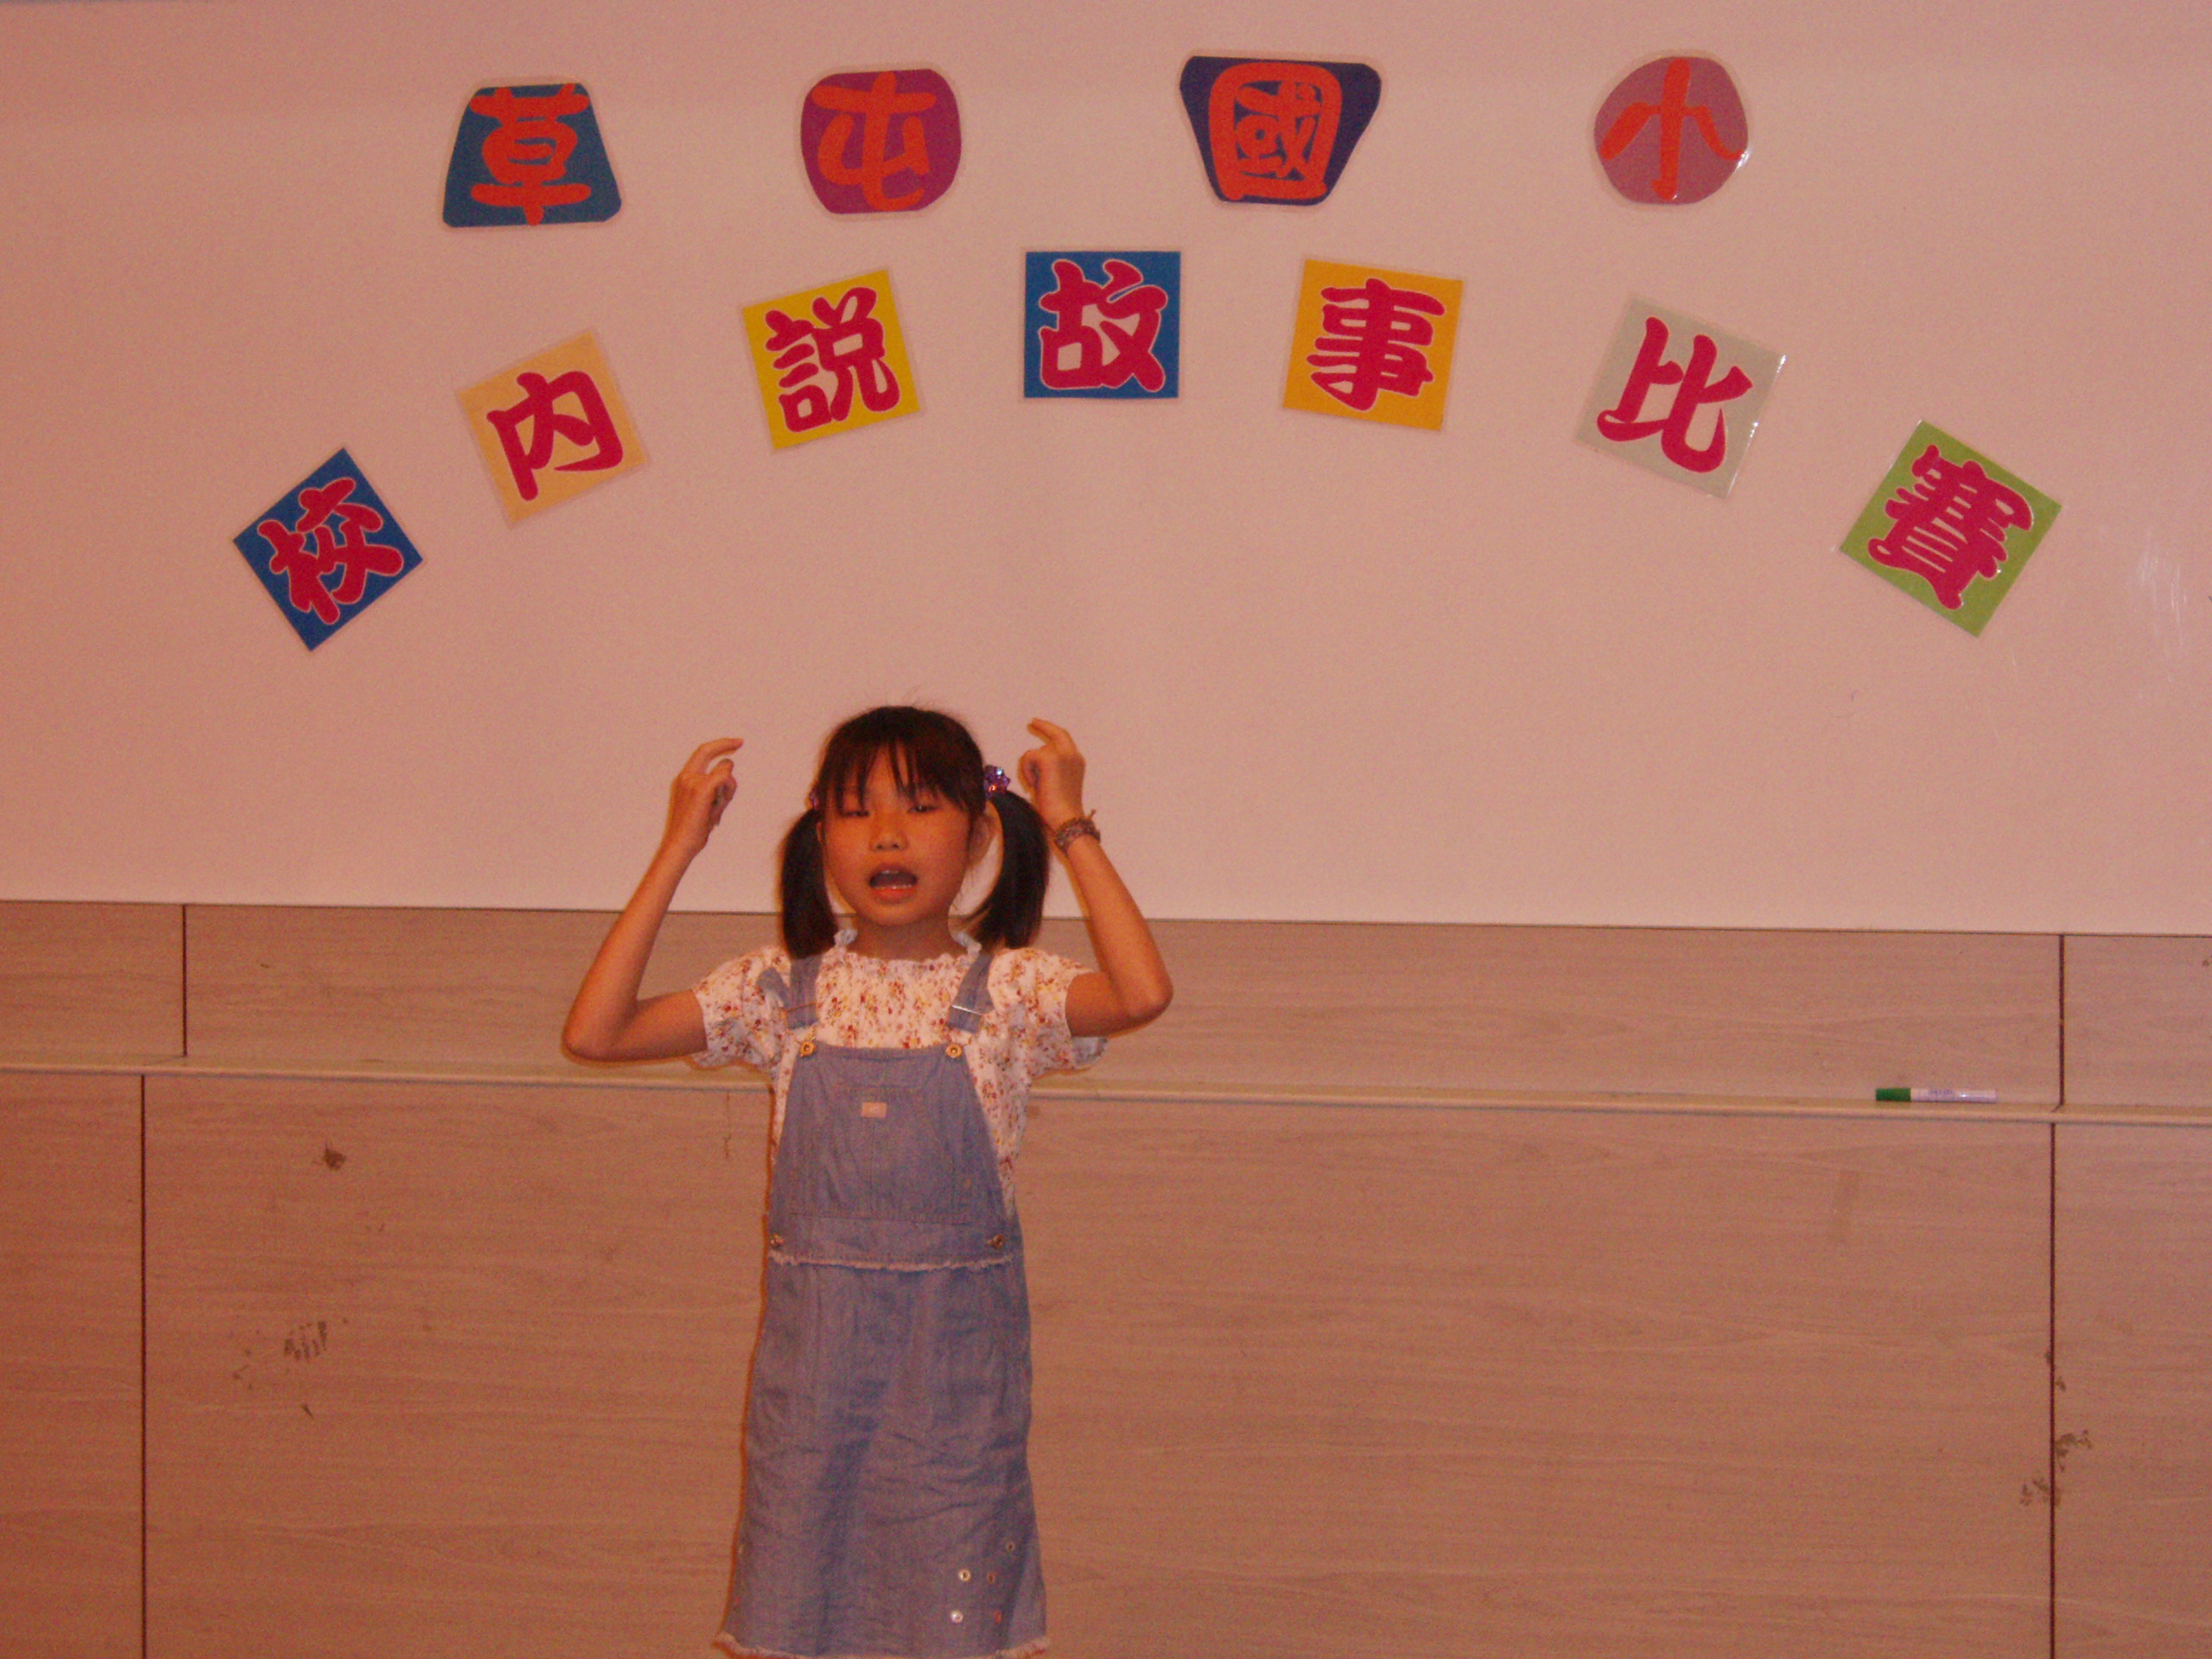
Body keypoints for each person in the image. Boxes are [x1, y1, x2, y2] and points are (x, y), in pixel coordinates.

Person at [563, 705, 1172, 1659]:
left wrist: (1070, 823)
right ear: (821, 841)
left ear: (978, 837)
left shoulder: (1011, 995)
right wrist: (680, 846)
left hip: (954, 1413)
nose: (887, 835)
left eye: (920, 807)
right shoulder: (778, 994)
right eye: (854, 811)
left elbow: (1141, 992)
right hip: (813, 1405)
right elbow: (596, 1032)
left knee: (954, 1630)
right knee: (804, 1621)